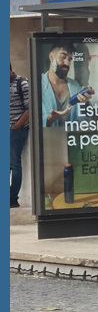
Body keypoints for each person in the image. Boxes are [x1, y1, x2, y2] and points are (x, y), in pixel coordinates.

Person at [41, 43, 93, 128]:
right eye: (63, 57)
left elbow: (82, 125)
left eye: (70, 59)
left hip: (71, 140)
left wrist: (84, 105)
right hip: (47, 139)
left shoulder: (75, 87)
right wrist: (49, 119)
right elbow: (31, 120)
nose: (67, 63)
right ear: (51, 57)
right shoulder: (37, 85)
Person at [10, 64, 30, 207]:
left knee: (14, 163)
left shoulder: (22, 83)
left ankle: (12, 199)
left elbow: (30, 109)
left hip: (16, 130)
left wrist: (16, 126)